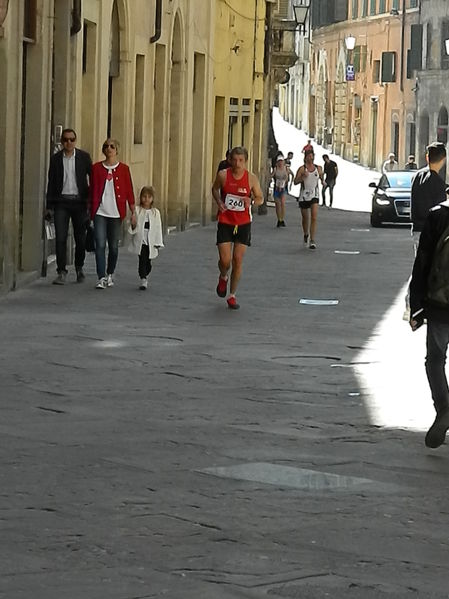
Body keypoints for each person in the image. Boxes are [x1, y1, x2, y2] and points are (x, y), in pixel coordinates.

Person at [409, 199, 449, 448]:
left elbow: (422, 263)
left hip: (439, 306)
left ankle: (444, 407)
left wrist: (417, 306)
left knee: (435, 359)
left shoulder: (437, 216)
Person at [211, 146, 263, 309]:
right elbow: (214, 189)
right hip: (226, 221)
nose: (237, 163)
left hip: (243, 223)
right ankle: (223, 275)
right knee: (225, 261)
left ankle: (232, 295)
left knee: (238, 260)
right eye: (234, 160)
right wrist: (219, 202)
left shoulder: (251, 179)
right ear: (229, 160)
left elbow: (260, 197)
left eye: (241, 160)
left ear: (245, 161)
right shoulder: (223, 175)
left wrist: (252, 201)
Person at [404, 142, 447, 320]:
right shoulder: (438, 183)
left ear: (427, 157)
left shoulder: (416, 176)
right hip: (431, 231)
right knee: (428, 268)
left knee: (419, 265)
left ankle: (411, 305)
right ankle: (416, 305)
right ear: (443, 160)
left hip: (416, 228)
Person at [45, 128, 92, 284]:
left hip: (79, 202)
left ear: (75, 140)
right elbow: (51, 183)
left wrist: (92, 202)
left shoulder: (84, 157)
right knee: (61, 238)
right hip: (61, 202)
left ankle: (79, 268)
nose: (68, 143)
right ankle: (61, 271)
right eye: (65, 140)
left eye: (71, 139)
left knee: (81, 238)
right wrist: (49, 206)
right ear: (62, 141)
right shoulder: (56, 159)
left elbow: (92, 179)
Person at [90, 138, 136, 289]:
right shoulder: (96, 168)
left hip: (116, 213)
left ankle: (110, 273)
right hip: (100, 212)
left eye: (112, 146)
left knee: (114, 247)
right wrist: (89, 209)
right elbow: (91, 190)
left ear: (117, 150)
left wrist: (133, 211)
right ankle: (101, 276)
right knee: (100, 244)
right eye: (106, 146)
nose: (109, 149)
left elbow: (129, 190)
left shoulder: (124, 169)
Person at [128, 186, 164, 290]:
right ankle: (143, 278)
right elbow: (133, 226)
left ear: (152, 198)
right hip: (141, 239)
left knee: (148, 261)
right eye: (144, 196)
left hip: (151, 241)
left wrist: (158, 242)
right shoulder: (138, 210)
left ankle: (146, 273)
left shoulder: (155, 212)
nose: (146, 199)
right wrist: (133, 224)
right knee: (142, 259)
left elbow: (158, 228)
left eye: (149, 197)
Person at [294, 149, 324, 250]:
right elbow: (295, 181)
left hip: (314, 195)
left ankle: (313, 240)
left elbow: (321, 178)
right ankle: (306, 234)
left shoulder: (318, 168)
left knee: (314, 216)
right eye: (309, 156)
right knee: (305, 218)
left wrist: (323, 182)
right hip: (303, 195)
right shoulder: (302, 169)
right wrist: (302, 177)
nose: (311, 158)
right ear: (305, 157)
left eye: (312, 156)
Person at [271, 155, 289, 227]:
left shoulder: (286, 168)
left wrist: (288, 182)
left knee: (282, 203)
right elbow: (271, 175)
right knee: (277, 205)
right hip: (277, 188)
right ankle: (279, 220)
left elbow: (291, 175)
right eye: (279, 161)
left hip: (283, 188)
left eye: (281, 161)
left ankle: (282, 218)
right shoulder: (275, 169)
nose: (280, 163)